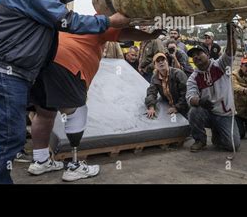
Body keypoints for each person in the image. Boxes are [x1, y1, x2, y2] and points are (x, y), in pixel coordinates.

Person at [0, 0, 130, 184]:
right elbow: (67, 20)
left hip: (9, 68)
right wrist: (108, 21)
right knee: (8, 136)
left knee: (10, 131)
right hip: (5, 70)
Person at [28, 27, 164, 182]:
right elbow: (125, 33)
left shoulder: (69, 24)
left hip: (41, 64)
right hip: (68, 64)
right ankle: (74, 166)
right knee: (77, 112)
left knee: (44, 114)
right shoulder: (98, 23)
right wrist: (151, 35)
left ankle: (40, 161)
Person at [186, 23, 240, 152]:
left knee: (233, 146)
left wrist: (230, 34)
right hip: (208, 113)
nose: (196, 57)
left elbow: (230, 51)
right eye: (193, 56)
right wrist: (199, 101)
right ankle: (200, 140)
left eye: (199, 53)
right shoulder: (193, 78)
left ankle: (217, 133)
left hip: (225, 114)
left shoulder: (221, 65)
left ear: (208, 55)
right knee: (194, 111)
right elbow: (190, 97)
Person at [145, 53, 189, 119]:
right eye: (158, 61)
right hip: (170, 107)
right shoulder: (155, 77)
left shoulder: (178, 73)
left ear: (167, 62)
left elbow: (186, 92)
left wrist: (177, 107)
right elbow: (151, 92)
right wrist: (151, 107)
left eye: (163, 60)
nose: (161, 62)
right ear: (155, 65)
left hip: (185, 107)